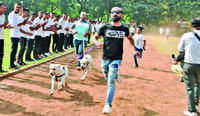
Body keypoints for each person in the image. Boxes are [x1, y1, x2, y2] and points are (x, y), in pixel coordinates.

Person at [92, 7, 135, 114]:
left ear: (122, 15)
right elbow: (95, 37)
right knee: (106, 74)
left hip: (116, 59)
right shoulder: (104, 27)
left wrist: (135, 49)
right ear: (111, 14)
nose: (115, 14)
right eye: (113, 12)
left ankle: (108, 105)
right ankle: (114, 74)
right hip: (105, 58)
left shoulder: (124, 29)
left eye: (117, 12)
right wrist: (96, 43)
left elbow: (130, 38)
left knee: (110, 81)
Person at [178, 17, 200, 116]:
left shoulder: (186, 36)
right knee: (197, 85)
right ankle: (195, 105)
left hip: (189, 64)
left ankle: (192, 111)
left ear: (191, 26)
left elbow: (180, 50)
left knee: (190, 87)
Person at [8, 3, 26, 69]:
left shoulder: (18, 15)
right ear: (14, 7)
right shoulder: (11, 14)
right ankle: (11, 65)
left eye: (19, 7)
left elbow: (19, 25)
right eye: (17, 7)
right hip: (13, 35)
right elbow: (13, 25)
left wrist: (22, 23)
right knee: (13, 50)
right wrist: (23, 23)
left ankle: (13, 64)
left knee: (15, 50)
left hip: (18, 35)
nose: (18, 8)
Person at [0, 2, 8, 72]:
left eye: (5, 8)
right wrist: (3, 25)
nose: (4, 9)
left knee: (1, 54)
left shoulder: (3, 15)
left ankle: (0, 68)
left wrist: (6, 26)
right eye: (3, 8)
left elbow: (3, 27)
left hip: (2, 37)